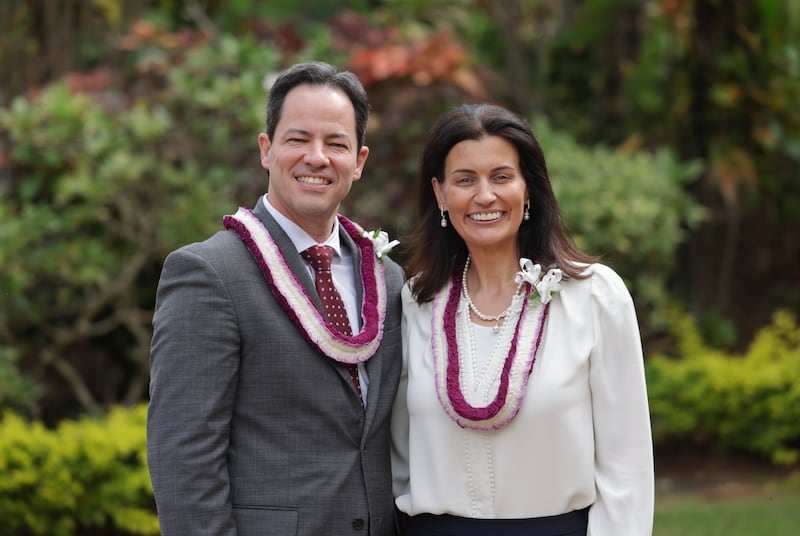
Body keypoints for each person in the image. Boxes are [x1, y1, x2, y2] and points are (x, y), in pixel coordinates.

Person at [147, 61, 404, 536]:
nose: (317, 157)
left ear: (359, 161)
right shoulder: (208, 273)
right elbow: (183, 457)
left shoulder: (387, 280)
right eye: (298, 139)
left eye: (336, 144)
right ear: (267, 150)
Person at [390, 103, 654, 535]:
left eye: (501, 176)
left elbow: (627, 468)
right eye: (464, 180)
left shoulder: (594, 297)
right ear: (440, 194)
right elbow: (399, 456)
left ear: (528, 188)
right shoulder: (416, 303)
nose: (484, 196)